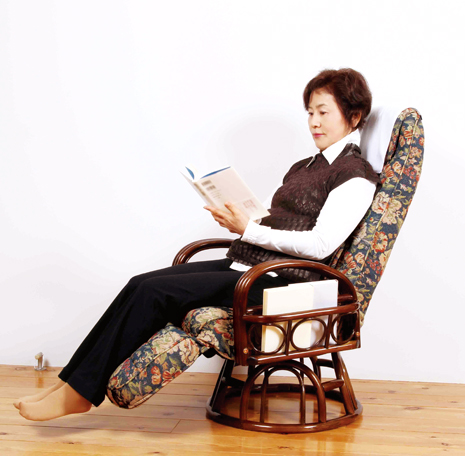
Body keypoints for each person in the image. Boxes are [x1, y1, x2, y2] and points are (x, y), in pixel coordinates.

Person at [15, 68, 379, 421]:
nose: (314, 122)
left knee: (154, 294)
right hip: (250, 265)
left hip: (282, 282)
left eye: (323, 112)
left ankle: (78, 394)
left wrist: (248, 229)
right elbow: (280, 219)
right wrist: (242, 219)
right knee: (140, 283)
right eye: (310, 112)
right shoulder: (305, 166)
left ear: (353, 116)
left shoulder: (355, 175)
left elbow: (320, 245)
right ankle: (69, 383)